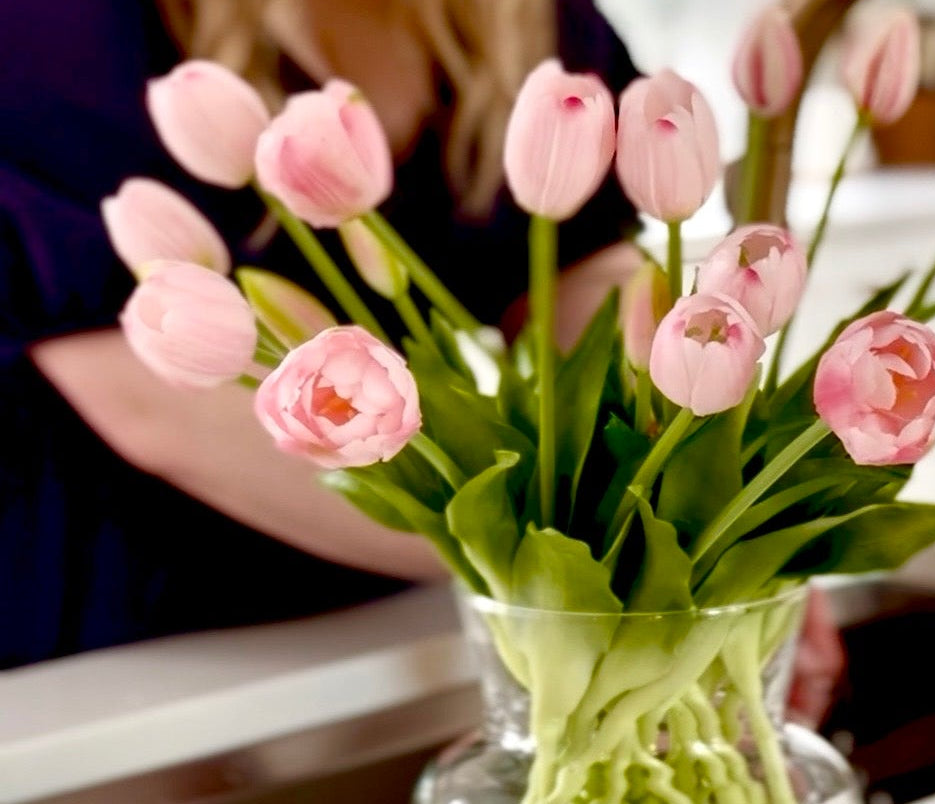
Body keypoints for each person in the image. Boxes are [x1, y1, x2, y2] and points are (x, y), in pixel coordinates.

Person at [1, 0, 844, 724]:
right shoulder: (58, 32)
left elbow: (585, 275)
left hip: (392, 613)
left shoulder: (531, 20)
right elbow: (148, 400)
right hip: (122, 627)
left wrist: (702, 525)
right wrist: (611, 571)